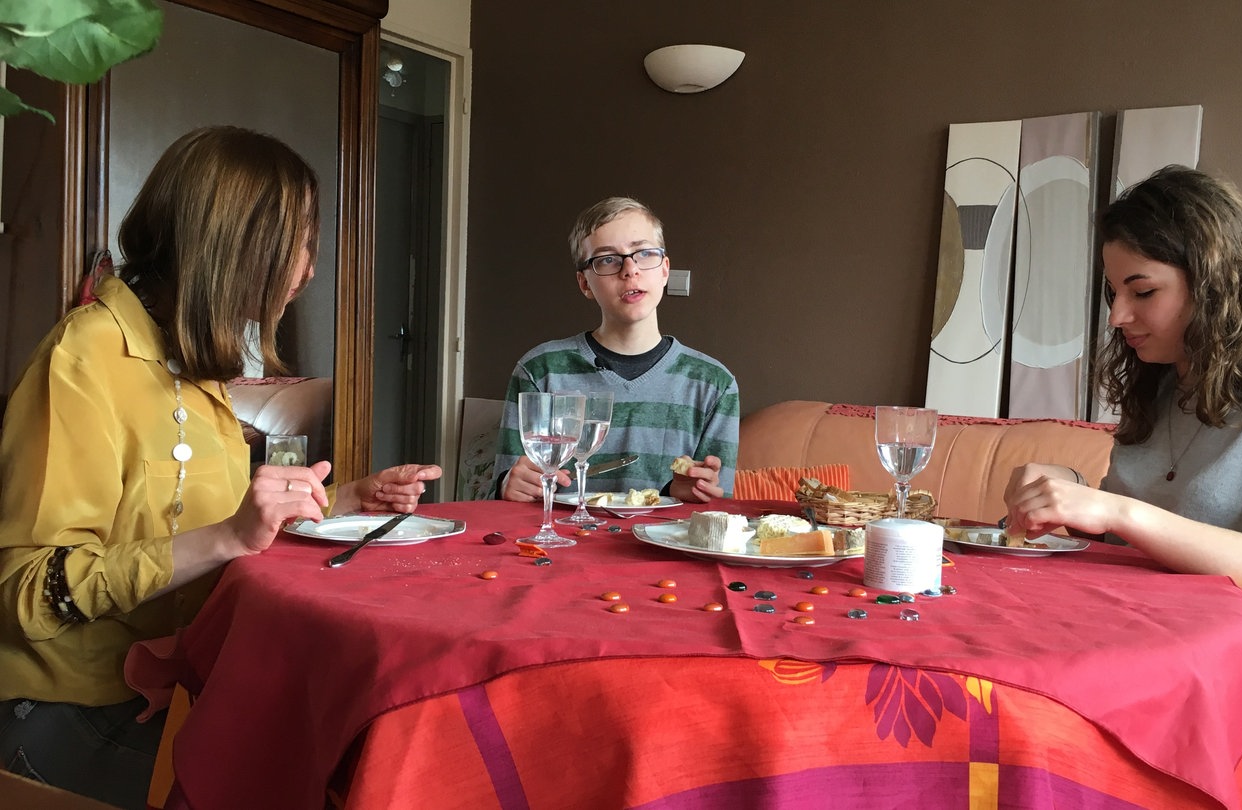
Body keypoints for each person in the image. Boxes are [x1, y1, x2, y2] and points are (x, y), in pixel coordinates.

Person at [0, 126, 442, 809]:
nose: (310, 270)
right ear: (238, 243)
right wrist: (230, 537)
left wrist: (346, 499)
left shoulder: (191, 362)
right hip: (73, 706)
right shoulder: (84, 357)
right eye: (301, 243)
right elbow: (27, 591)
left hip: (171, 684)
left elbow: (218, 521)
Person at [1000, 165, 1242, 805]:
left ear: (1214, 282)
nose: (1118, 315)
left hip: (1239, 709)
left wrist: (1115, 510)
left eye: (1142, 291)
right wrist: (1070, 488)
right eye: (1113, 292)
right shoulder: (1165, 384)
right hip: (1132, 666)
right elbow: (1138, 539)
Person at [494, 196, 739, 503]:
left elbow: (718, 514)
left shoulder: (714, 385)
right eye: (608, 259)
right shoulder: (540, 370)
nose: (630, 270)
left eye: (644, 253)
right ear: (585, 283)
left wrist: (683, 495)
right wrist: (507, 486)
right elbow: (505, 493)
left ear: (664, 270)